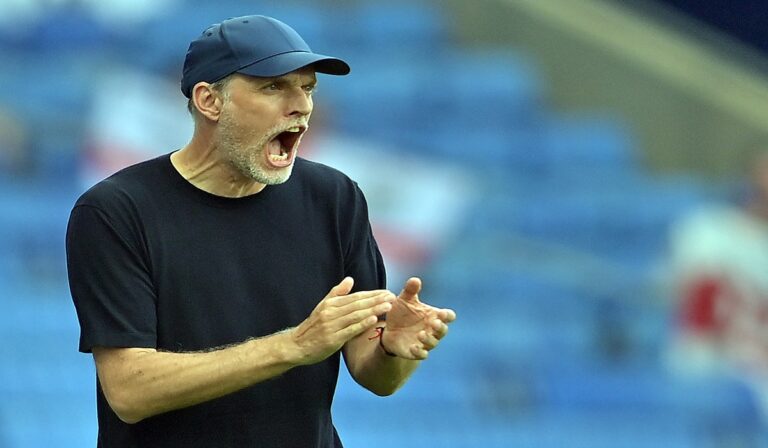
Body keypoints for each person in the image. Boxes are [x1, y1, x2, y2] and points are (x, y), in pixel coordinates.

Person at [65, 15, 456, 447]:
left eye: (307, 88)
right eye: (274, 87)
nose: (302, 106)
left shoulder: (335, 197)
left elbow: (374, 374)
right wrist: (293, 345)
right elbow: (130, 391)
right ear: (209, 101)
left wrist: (394, 351)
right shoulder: (116, 211)